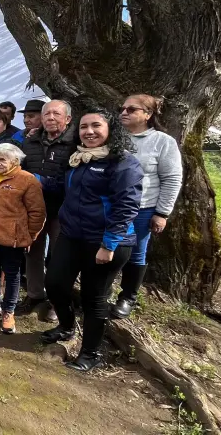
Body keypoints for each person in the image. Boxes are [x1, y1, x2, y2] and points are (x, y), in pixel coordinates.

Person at [43, 108, 143, 372]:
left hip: (106, 242)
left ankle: (91, 352)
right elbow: (62, 189)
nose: (89, 132)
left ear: (111, 130)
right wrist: (28, 177)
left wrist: (108, 244)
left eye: (96, 126)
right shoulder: (78, 160)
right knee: (54, 283)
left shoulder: (122, 162)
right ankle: (66, 327)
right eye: (84, 127)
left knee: (94, 298)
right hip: (72, 235)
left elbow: (127, 206)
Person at [112, 94, 183, 318]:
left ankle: (128, 297)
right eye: (122, 108)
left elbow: (172, 178)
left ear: (148, 115)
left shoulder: (163, 142)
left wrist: (162, 213)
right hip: (110, 206)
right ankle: (100, 292)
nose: (124, 112)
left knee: (135, 252)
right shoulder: (113, 137)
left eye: (131, 109)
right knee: (105, 248)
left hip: (142, 208)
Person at [0, 143, 47, 334]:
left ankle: (8, 311)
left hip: (13, 237)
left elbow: (37, 212)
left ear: (15, 161)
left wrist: (31, 235)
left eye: (2, 160)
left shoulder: (27, 180)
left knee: (12, 274)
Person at [21, 99, 77, 323]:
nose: (51, 118)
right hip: (33, 209)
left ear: (68, 119)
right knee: (32, 252)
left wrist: (43, 181)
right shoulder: (31, 142)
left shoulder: (75, 143)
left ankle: (58, 302)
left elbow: (73, 179)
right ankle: (35, 295)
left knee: (60, 257)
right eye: (47, 115)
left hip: (62, 210)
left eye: (56, 114)